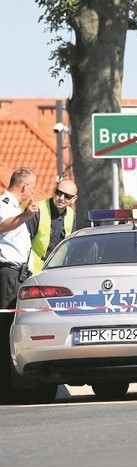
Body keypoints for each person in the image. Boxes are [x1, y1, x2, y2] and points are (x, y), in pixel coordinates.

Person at [0, 168, 40, 402]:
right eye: (32, 186)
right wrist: (26, 216)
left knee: (13, 328)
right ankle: (6, 385)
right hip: (8, 272)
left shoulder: (14, 207)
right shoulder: (5, 203)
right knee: (5, 328)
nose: (33, 191)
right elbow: (2, 225)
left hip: (19, 273)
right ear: (24, 186)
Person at [26, 178, 77, 273]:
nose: (61, 198)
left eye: (67, 196)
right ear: (54, 191)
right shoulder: (37, 210)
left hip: (59, 270)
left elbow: (72, 245)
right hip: (35, 271)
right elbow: (24, 242)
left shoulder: (71, 214)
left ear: (74, 199)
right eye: (59, 193)